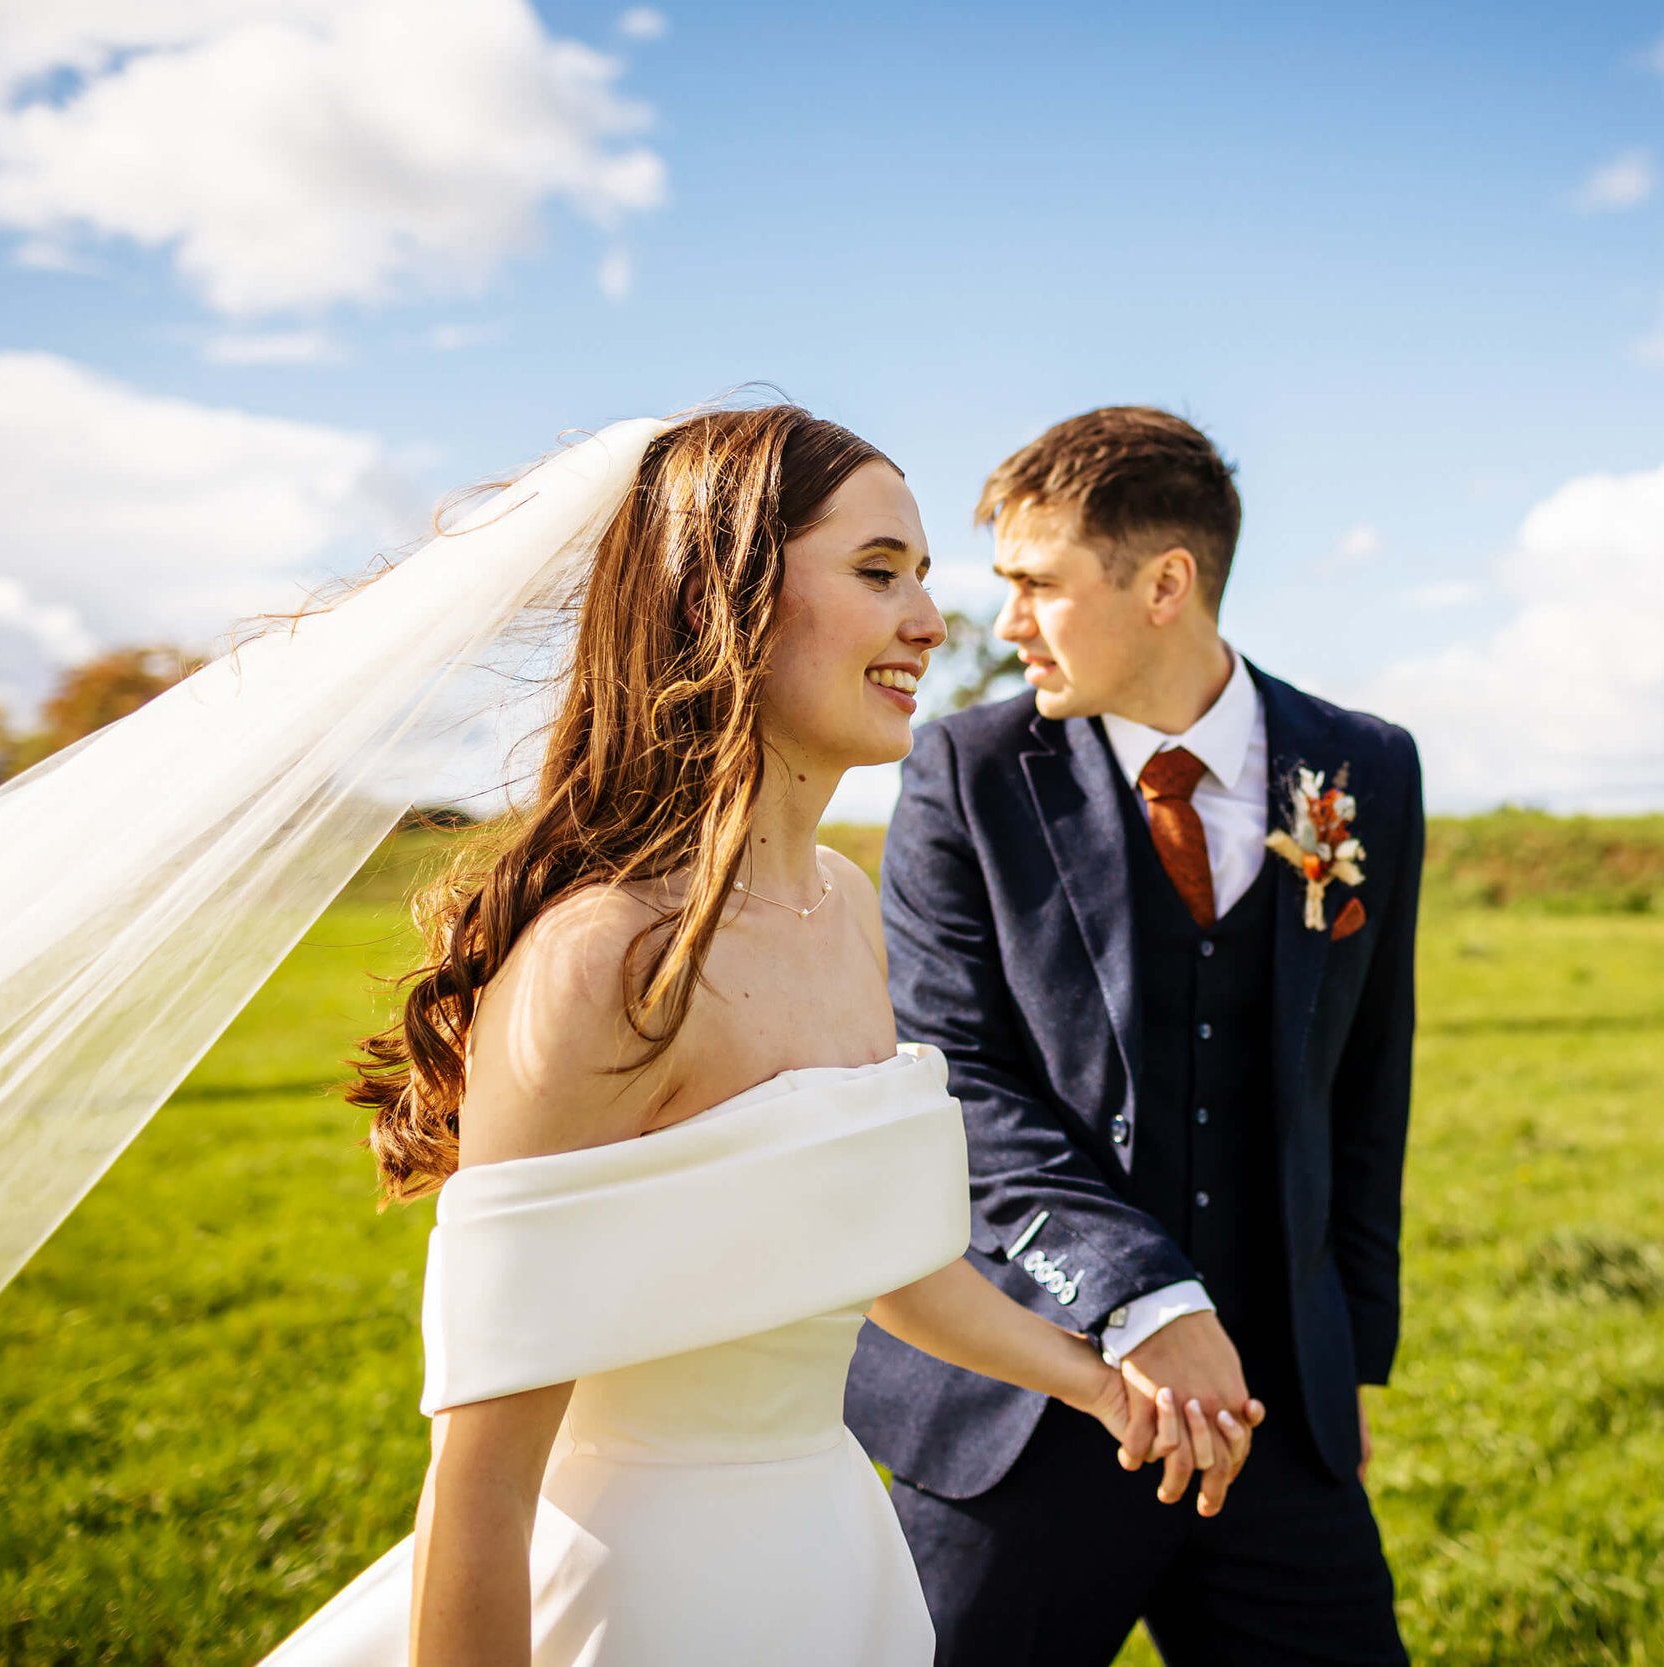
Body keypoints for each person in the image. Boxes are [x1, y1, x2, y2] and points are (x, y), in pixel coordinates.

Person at [257, 404, 1262, 1665]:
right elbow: (481, 1480)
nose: (930, 623)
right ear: (717, 603)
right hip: (640, 1597)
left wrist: (1102, 1378)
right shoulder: (605, 960)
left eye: (922, 579)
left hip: (829, 1570)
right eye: (876, 572)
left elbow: (885, 1260)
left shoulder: (842, 905)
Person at [845, 406, 1424, 1664]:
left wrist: (1347, 1371)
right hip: (1025, 1411)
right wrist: (1139, 1298)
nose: (1000, 626)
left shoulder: (1366, 766)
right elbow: (956, 1085)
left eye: (1037, 584)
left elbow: (1369, 1088)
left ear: (1166, 582)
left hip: (1272, 1418)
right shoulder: (963, 770)